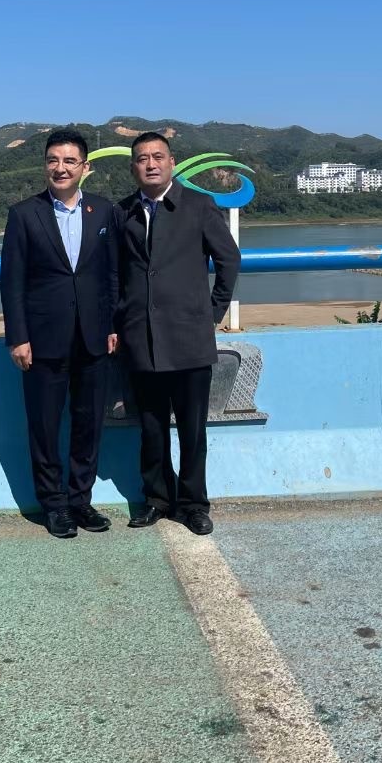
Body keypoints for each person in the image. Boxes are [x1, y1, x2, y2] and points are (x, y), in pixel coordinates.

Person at [115, 131, 240, 535]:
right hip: (141, 337)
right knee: (151, 427)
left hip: (189, 339)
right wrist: (119, 321)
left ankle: (193, 504)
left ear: (171, 163)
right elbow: (115, 274)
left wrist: (212, 312)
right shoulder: (123, 212)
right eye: (142, 158)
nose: (150, 164)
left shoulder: (199, 205)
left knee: (191, 429)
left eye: (158, 156)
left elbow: (229, 260)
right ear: (133, 167)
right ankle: (156, 499)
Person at [0, 129, 120, 538]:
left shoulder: (104, 211)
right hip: (42, 340)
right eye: (53, 160)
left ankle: (81, 501)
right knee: (45, 426)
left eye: (70, 161)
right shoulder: (23, 214)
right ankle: (53, 505)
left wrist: (113, 325)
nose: (61, 168)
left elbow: (112, 275)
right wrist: (18, 337)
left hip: (93, 337)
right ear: (45, 165)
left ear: (84, 167)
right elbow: (12, 282)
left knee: (89, 423)